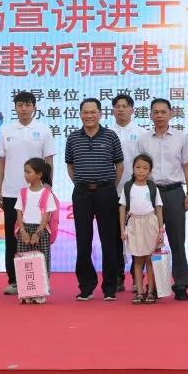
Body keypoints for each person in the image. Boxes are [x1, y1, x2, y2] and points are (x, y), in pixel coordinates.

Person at [0, 91, 55, 296]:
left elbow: (48, 161)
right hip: (12, 191)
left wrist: (48, 186)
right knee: (13, 237)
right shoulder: (6, 130)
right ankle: (14, 280)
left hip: (37, 194)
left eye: (27, 105)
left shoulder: (43, 130)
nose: (23, 109)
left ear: (34, 107)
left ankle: (40, 279)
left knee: (39, 235)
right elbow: (1, 161)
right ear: (15, 107)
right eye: (20, 105)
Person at [65, 98, 125, 301]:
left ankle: (110, 287)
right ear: (80, 114)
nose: (89, 116)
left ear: (100, 114)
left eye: (93, 112)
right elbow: (70, 166)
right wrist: (80, 183)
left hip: (106, 192)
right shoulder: (73, 138)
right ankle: (86, 287)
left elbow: (119, 165)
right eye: (85, 112)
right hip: (82, 193)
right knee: (83, 241)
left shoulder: (110, 136)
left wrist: (110, 187)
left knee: (109, 240)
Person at [136, 98, 188, 300]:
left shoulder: (180, 137)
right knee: (151, 242)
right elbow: (139, 168)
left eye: (163, 112)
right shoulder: (143, 139)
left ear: (170, 113)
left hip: (174, 192)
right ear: (150, 115)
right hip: (150, 192)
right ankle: (153, 286)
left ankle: (181, 284)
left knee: (177, 240)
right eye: (156, 112)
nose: (159, 115)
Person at [109, 93, 145, 292]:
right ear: (113, 110)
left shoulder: (141, 133)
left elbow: (144, 163)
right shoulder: (106, 133)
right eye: (117, 106)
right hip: (112, 191)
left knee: (137, 235)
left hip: (136, 191)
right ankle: (117, 276)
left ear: (132, 109)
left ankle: (136, 276)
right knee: (115, 235)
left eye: (125, 106)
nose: (121, 109)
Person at [119, 154, 165, 304]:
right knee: (138, 260)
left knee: (150, 260)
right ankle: (139, 292)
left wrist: (161, 230)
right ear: (133, 168)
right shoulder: (128, 187)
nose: (141, 171)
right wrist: (122, 229)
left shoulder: (152, 187)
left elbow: (158, 208)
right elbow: (122, 208)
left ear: (150, 171)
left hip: (150, 223)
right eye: (138, 167)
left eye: (145, 168)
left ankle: (151, 291)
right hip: (134, 224)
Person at [15, 157, 56, 304]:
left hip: (41, 231)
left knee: (41, 261)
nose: (26, 175)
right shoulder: (23, 192)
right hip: (25, 229)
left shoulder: (47, 193)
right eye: (25, 172)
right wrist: (23, 231)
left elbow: (46, 216)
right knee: (24, 261)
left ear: (39, 174)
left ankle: (40, 291)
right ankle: (26, 292)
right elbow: (19, 212)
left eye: (29, 172)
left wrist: (38, 233)